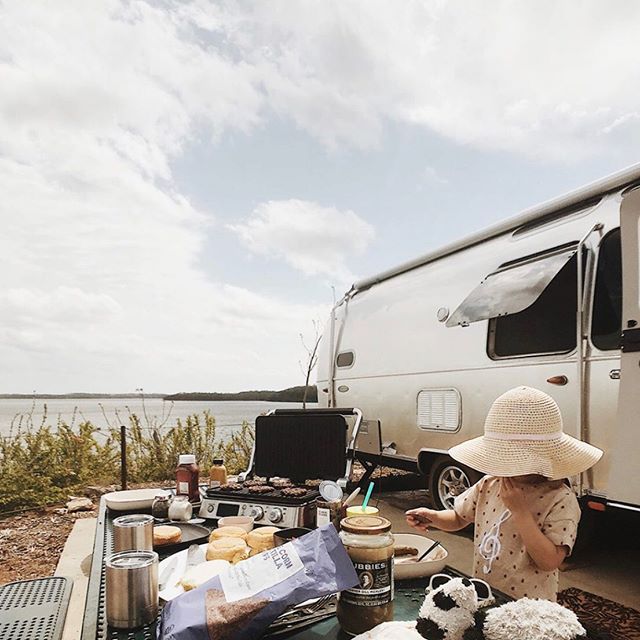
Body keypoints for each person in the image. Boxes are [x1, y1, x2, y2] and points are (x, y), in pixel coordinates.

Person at [406, 386, 603, 601]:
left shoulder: (560, 498)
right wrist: (433, 517)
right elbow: (459, 517)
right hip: (486, 594)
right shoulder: (491, 483)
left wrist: (520, 512)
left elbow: (549, 561)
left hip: (529, 606)